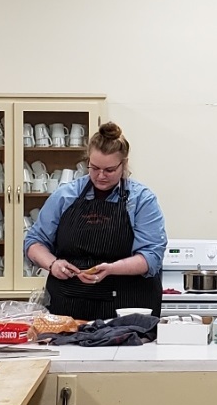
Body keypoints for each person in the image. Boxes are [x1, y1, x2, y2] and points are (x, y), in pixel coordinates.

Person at [24, 122, 167, 320]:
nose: (100, 176)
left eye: (109, 170)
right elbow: (34, 242)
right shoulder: (66, 196)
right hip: (69, 306)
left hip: (126, 308)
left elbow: (151, 256)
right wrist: (53, 264)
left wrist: (111, 269)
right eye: (94, 168)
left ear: (124, 165)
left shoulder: (141, 200)